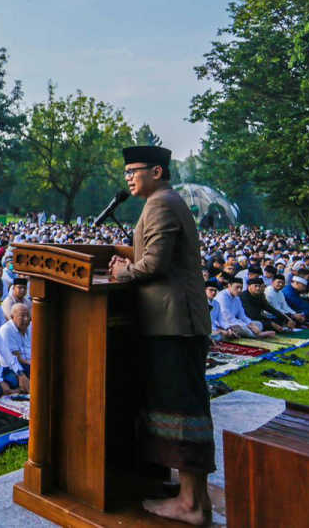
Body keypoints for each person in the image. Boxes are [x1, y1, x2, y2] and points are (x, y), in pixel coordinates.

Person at [107, 145, 214, 525]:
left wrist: (124, 271)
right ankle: (195, 498)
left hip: (175, 325)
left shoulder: (161, 203)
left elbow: (153, 263)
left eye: (133, 170)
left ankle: (190, 505)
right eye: (126, 173)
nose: (128, 177)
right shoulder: (164, 201)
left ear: (156, 170)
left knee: (183, 412)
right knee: (186, 409)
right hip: (178, 324)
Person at [0, 302, 32, 376]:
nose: (26, 319)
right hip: (13, 368)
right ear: (12, 317)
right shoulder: (6, 330)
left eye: (28, 316)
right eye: (22, 316)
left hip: (29, 364)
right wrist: (35, 365)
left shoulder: (30, 326)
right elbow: (17, 358)